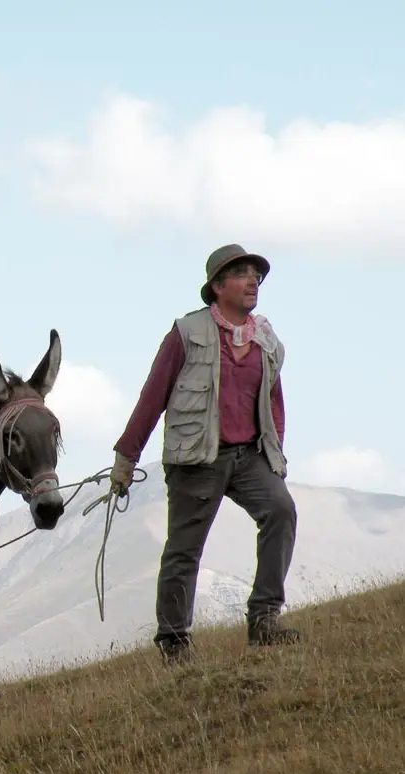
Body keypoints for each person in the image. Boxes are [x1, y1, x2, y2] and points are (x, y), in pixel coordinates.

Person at [109, 244, 300, 663]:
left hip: (250, 456)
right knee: (184, 549)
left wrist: (275, 455)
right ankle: (174, 641)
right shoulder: (187, 332)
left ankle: (265, 619)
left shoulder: (266, 338)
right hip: (196, 459)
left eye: (256, 275)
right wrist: (126, 459)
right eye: (241, 274)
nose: (252, 281)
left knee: (281, 511)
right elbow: (151, 396)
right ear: (216, 286)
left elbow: (274, 403)